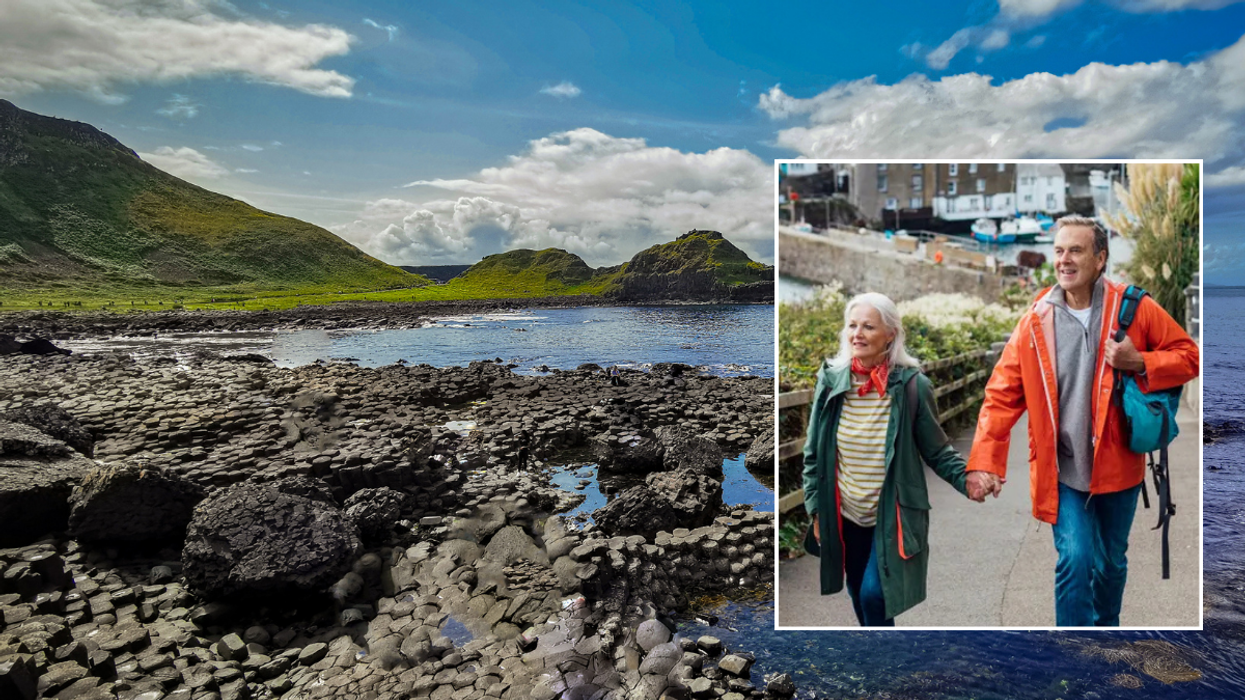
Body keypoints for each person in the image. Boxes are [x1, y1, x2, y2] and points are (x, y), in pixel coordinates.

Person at [968, 215, 1199, 627]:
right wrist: (985, 462)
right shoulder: (1036, 320)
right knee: (1074, 560)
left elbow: (1189, 356)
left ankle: (1104, 637)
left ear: (1100, 258)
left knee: (1110, 564)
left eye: (1075, 250)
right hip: (1063, 469)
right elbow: (1001, 394)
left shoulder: (1134, 307)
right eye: (1058, 251)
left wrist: (1140, 361)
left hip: (1119, 467)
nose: (1064, 260)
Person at [802, 292, 1000, 627]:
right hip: (845, 515)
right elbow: (812, 453)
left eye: (868, 326)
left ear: (890, 334)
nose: (857, 334)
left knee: (873, 595)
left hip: (891, 516)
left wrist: (968, 479)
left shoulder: (912, 386)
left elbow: (936, 449)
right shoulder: (831, 380)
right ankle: (884, 665)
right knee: (859, 598)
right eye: (852, 326)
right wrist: (816, 510)